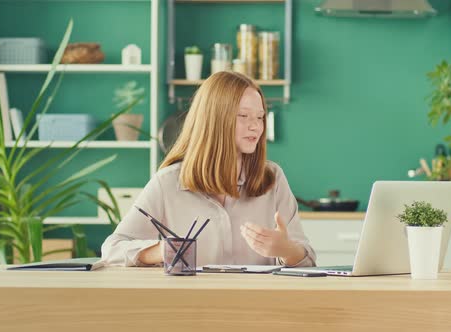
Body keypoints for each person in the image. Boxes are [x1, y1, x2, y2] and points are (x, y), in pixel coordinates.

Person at [101, 71, 316, 267]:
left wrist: (286, 250)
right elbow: (112, 248)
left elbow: (308, 262)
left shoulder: (273, 178)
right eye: (244, 116)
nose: (256, 126)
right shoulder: (168, 182)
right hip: (191, 306)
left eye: (260, 117)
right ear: (214, 119)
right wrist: (161, 250)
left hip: (258, 306)